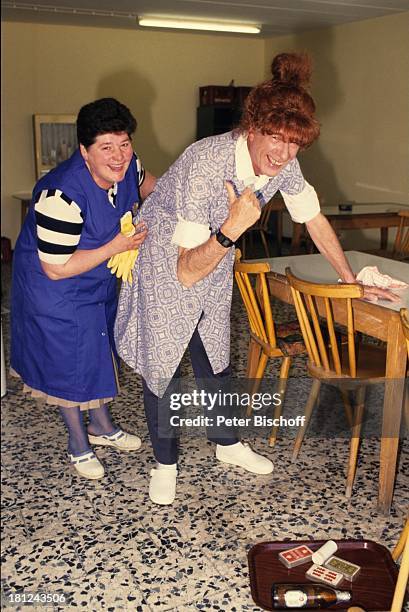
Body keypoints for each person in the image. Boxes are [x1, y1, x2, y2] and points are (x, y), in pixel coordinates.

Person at [115, 53, 397, 505]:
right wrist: (232, 227)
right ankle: (164, 462)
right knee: (163, 363)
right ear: (252, 127)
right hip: (164, 262)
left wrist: (352, 281)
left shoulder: (285, 161)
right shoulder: (203, 164)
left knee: (215, 356)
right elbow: (185, 271)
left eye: (295, 145)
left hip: (214, 250)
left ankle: (226, 444)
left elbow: (315, 219)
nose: (284, 154)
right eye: (276, 139)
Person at [11, 97, 156, 479]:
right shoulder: (60, 195)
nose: (119, 156)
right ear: (84, 151)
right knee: (71, 362)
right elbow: (55, 268)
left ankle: (102, 426)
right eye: (106, 147)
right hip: (53, 289)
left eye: (124, 144)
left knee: (96, 351)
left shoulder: (129, 167)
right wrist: (117, 246)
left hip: (95, 282)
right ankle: (78, 443)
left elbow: (151, 187)